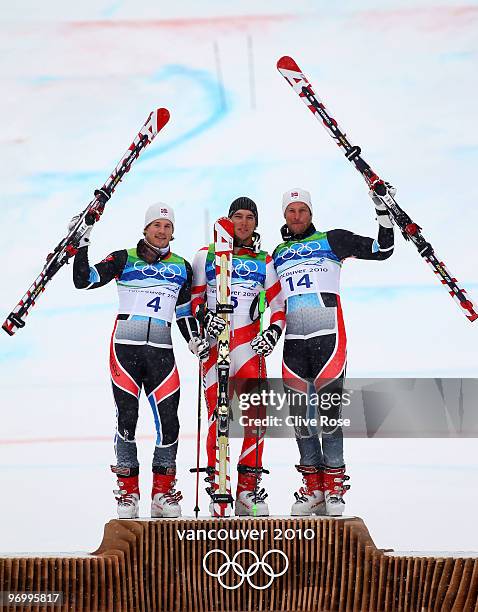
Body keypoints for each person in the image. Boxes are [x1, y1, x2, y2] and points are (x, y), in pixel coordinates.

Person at [72, 203, 208, 519]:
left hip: (162, 352)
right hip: (125, 351)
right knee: (127, 419)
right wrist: (82, 245)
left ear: (173, 231)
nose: (161, 232)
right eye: (156, 226)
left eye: (167, 227)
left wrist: (193, 340)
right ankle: (128, 493)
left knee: (170, 422)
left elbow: (184, 312)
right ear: (145, 229)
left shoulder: (182, 267)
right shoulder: (124, 258)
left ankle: (162, 493)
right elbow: (85, 280)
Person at [272, 187, 395, 516]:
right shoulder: (277, 254)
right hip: (294, 344)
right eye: (291, 211)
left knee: (328, 417)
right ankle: (314, 488)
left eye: (302, 210)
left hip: (329, 338)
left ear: (311, 213)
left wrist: (384, 214)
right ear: (284, 215)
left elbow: (382, 250)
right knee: (300, 419)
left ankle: (335, 487)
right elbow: (269, 300)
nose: (296, 216)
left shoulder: (332, 240)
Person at [191, 197, 285, 516]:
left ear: (256, 223)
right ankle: (219, 487)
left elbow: (278, 306)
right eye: (237, 217)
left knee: (256, 422)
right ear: (228, 220)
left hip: (250, 350)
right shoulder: (206, 256)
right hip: (216, 350)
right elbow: (191, 303)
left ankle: (247, 490)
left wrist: (271, 333)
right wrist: (205, 318)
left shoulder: (264, 259)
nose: (243, 223)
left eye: (249, 218)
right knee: (220, 419)